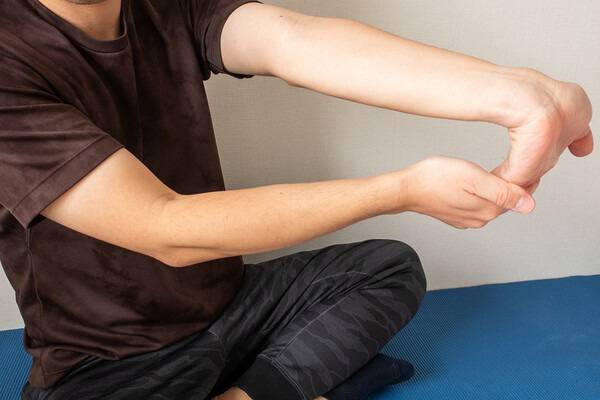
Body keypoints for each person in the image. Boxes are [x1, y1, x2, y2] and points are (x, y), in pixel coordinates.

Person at [0, 0, 593, 399]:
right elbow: (166, 229)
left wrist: (520, 94)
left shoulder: (165, 6)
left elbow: (294, 40)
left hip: (233, 308)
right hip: (109, 361)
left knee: (387, 268)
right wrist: (401, 190)